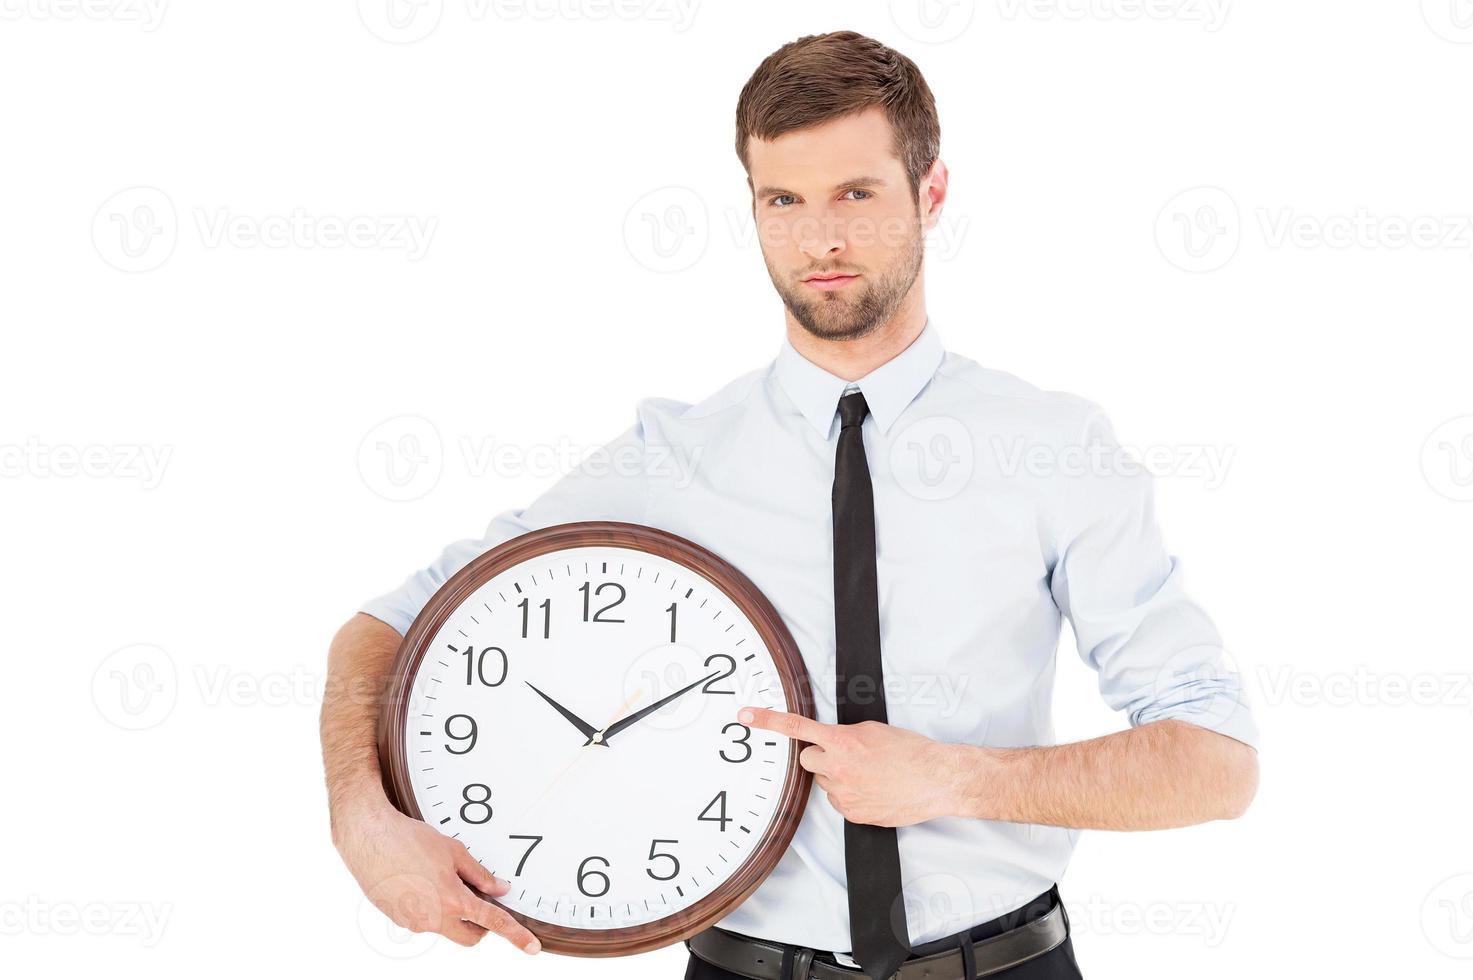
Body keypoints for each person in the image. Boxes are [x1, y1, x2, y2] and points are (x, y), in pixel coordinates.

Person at [320, 29, 1259, 980]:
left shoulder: (1053, 448)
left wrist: (957, 776)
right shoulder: (670, 458)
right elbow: (385, 627)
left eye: (856, 194)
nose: (820, 239)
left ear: (930, 194)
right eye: (784, 200)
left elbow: (1215, 762)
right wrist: (363, 821)